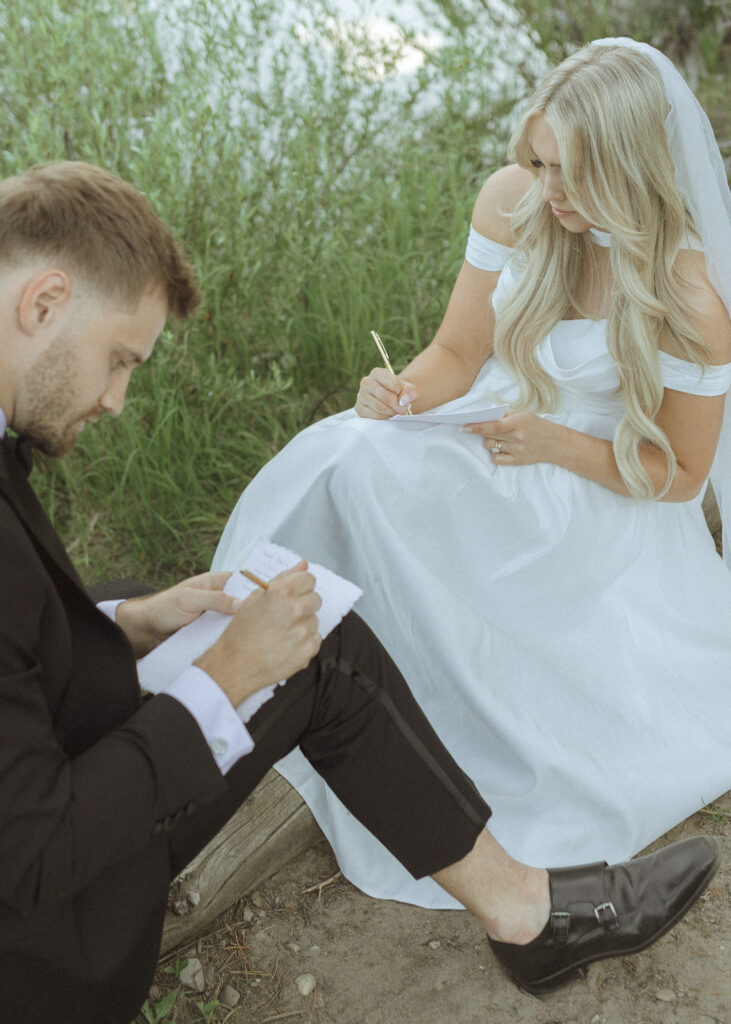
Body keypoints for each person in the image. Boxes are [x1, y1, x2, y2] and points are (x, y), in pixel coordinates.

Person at [0, 161, 719, 1023]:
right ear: (41, 304)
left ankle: (520, 906)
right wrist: (223, 679)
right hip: (46, 951)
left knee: (142, 598)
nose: (118, 399)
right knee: (320, 654)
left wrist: (130, 622)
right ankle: (528, 913)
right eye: (119, 360)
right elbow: (34, 859)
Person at [213, 36, 731, 914]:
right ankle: (239, 671)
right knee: (342, 455)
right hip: (489, 428)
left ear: (629, 165)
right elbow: (456, 352)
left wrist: (553, 445)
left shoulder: (685, 294)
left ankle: (402, 718)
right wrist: (402, 394)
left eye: (571, 173)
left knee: (385, 487)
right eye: (538, 160)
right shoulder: (513, 202)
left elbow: (679, 472)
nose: (548, 190)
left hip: (598, 484)